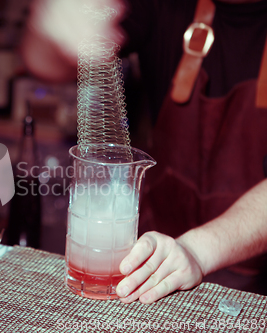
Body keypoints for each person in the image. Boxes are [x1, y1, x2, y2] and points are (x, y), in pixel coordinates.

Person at [22, 0, 267, 303]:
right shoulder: (167, 7)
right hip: (149, 271)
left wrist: (195, 251)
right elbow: (42, 61)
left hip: (253, 291)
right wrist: (50, 22)